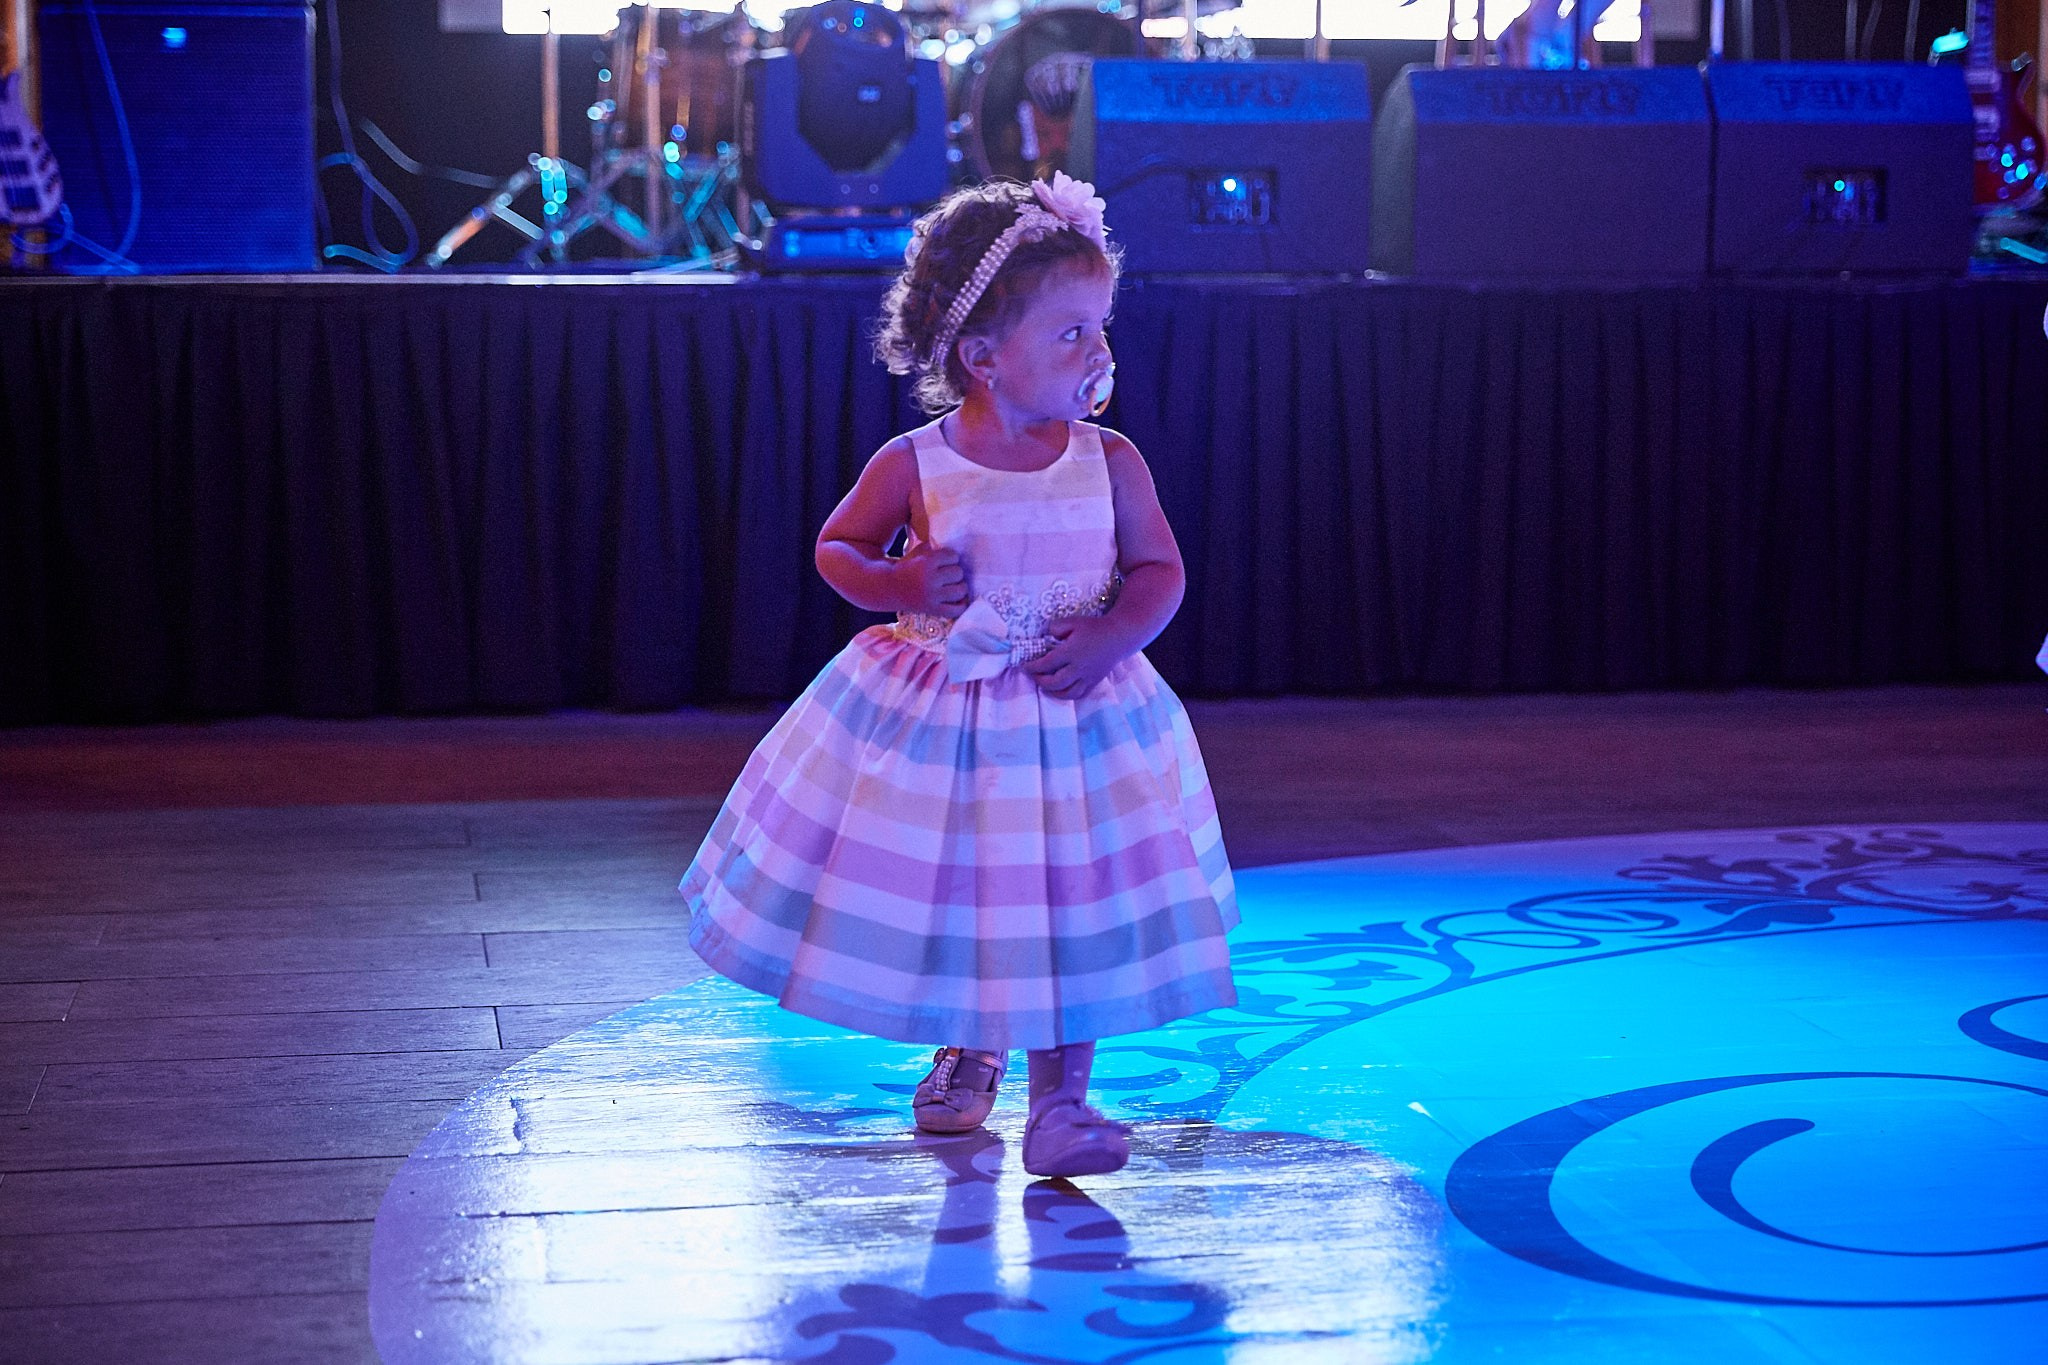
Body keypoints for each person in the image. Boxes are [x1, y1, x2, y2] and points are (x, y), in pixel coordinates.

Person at [679, 174, 1237, 1179]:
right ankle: (969, 1050)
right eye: (1069, 333)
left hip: (1077, 721)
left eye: (1100, 328)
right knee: (973, 898)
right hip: (952, 715)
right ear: (981, 357)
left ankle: (1061, 1103)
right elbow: (836, 548)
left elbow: (1160, 569)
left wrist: (1114, 632)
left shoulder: (1108, 459)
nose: (1098, 352)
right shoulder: (917, 460)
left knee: (1069, 909)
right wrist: (895, 575)